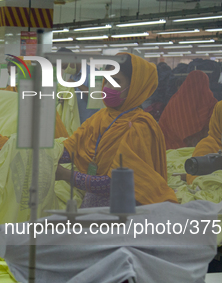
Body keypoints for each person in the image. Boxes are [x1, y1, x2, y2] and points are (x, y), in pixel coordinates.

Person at [55, 53, 177, 208]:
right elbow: (70, 148)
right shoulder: (100, 117)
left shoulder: (140, 127)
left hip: (126, 216)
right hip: (95, 210)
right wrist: (43, 153)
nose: (107, 87)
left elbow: (117, 183)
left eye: (116, 81)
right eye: (107, 80)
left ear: (135, 87)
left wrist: (65, 175)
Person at [159, 71, 218, 149]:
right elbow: (215, 125)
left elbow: (164, 123)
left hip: (171, 150)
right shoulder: (209, 101)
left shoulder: (174, 101)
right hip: (199, 150)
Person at [57, 48, 100, 125]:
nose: (66, 70)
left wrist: (76, 83)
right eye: (63, 68)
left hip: (91, 124)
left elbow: (96, 96)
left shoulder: (94, 73)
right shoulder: (73, 76)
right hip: (77, 123)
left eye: (65, 66)